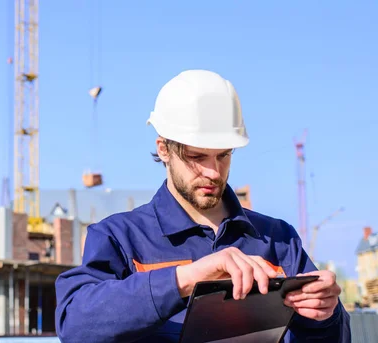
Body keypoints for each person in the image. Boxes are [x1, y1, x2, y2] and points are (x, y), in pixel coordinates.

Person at [54, 70, 351, 342]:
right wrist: (186, 278)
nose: (213, 172)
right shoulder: (119, 237)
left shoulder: (278, 239)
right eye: (197, 157)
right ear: (164, 149)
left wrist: (325, 316)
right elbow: (76, 324)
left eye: (223, 155)